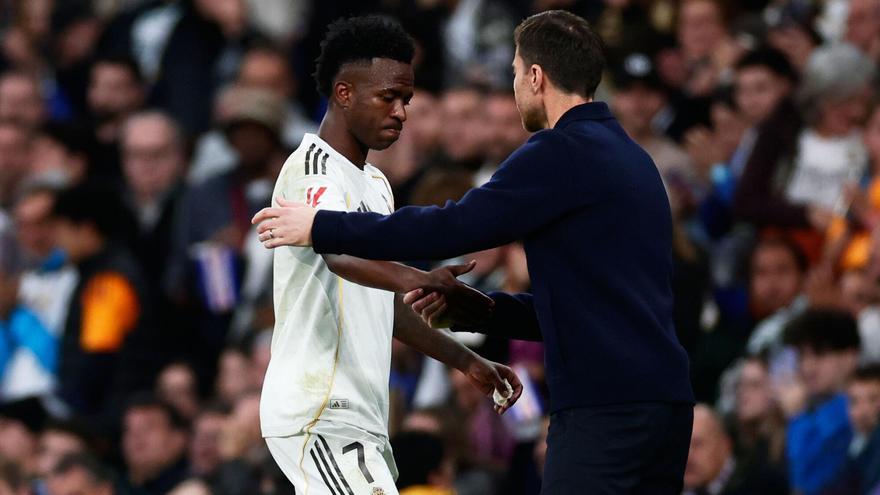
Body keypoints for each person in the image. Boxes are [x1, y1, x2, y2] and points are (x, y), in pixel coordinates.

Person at [253, 10, 694, 493]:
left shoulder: (560, 151)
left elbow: (456, 225)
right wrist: (478, 318)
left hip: (603, 407)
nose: (401, 111)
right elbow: (585, 307)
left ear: (535, 76)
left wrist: (321, 226)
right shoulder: (637, 160)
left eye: (513, 73)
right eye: (390, 97)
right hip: (664, 409)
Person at [251, 16, 522, 495]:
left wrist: (465, 362)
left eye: (407, 101)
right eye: (388, 97)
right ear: (344, 93)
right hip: (320, 409)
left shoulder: (376, 185)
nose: (400, 112)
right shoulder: (314, 169)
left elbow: (387, 305)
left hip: (362, 415)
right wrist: (419, 279)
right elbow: (337, 254)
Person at [783, 308, 861, 495]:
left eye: (820, 354)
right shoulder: (806, 411)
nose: (807, 367)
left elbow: (808, 485)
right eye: (802, 356)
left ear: (850, 357)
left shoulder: (857, 411)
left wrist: (797, 419)